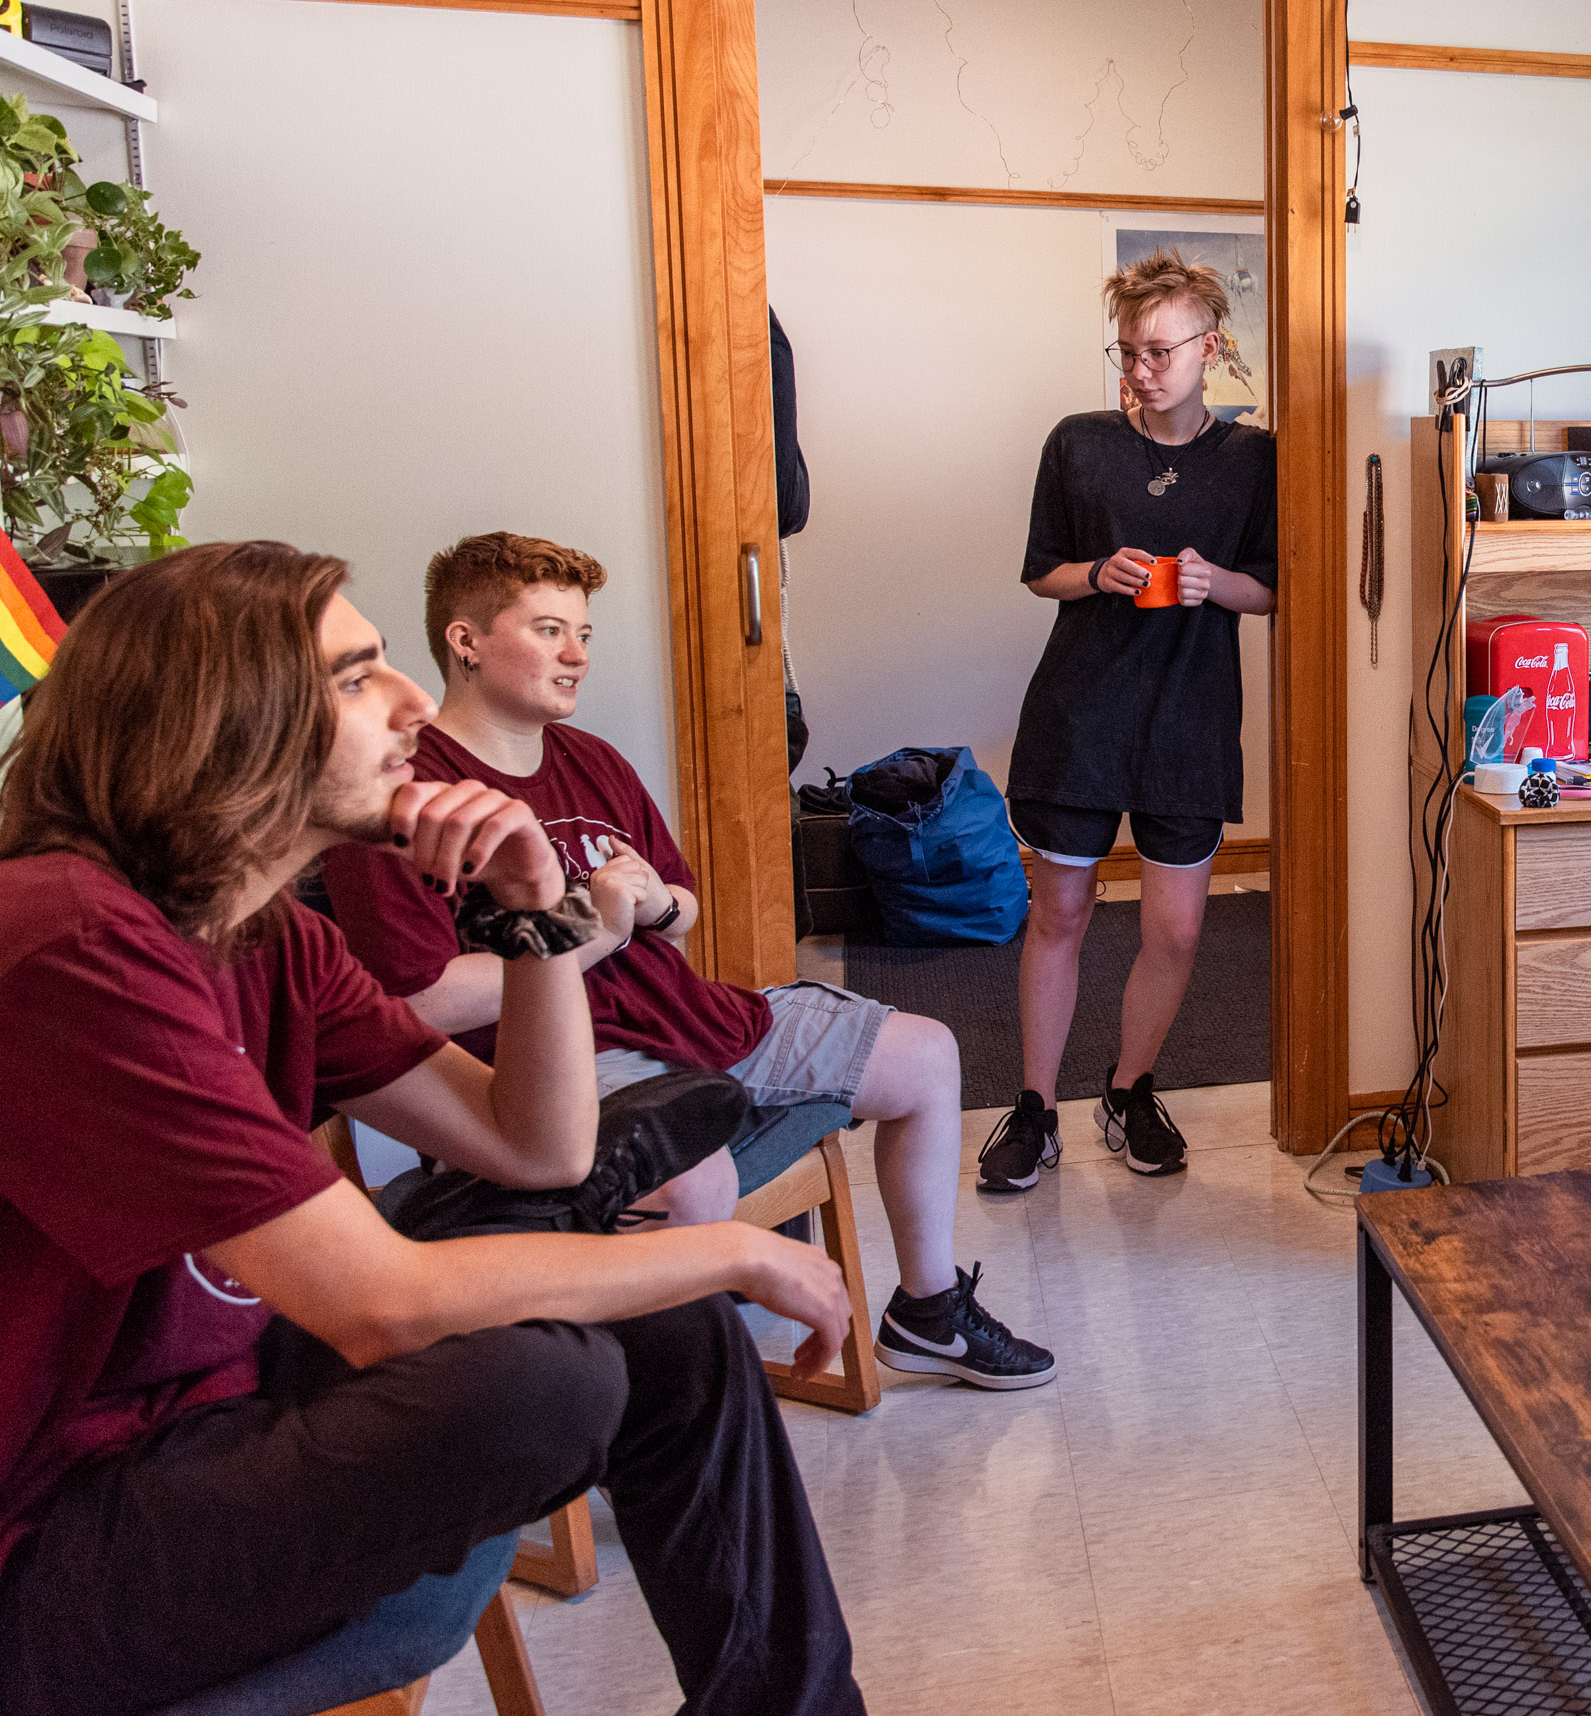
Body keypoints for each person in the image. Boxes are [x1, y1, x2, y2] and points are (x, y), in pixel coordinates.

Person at [0, 542, 864, 1715]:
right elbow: (379, 1299)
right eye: (358, 678)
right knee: (540, 1383)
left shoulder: (267, 935)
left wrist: (537, 916)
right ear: (220, 717)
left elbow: (536, 1147)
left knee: (671, 1325)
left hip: (217, 1393)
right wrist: (741, 1245)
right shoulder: (70, 933)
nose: (412, 704)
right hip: (51, 1529)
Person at [317, 532, 1053, 1391]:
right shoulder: (412, 797)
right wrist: (596, 925)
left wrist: (652, 908)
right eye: (550, 629)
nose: (576, 656)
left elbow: (680, 908)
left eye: (584, 635)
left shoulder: (593, 760)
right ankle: (673, 1408)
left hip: (692, 1017)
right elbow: (423, 1001)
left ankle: (927, 1312)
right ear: (465, 639)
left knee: (926, 1054)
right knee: (695, 1183)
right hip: (567, 1065)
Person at [978, 254, 1276, 1192]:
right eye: (1129, 349)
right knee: (1059, 911)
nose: (1141, 368)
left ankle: (1128, 1088)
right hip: (1080, 715)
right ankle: (1033, 1109)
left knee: (1177, 931)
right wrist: (1097, 571)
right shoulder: (1078, 442)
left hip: (1188, 720)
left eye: (1159, 349)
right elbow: (1040, 571)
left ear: (1210, 348)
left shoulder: (1255, 460)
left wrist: (1211, 583)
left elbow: (1267, 590)